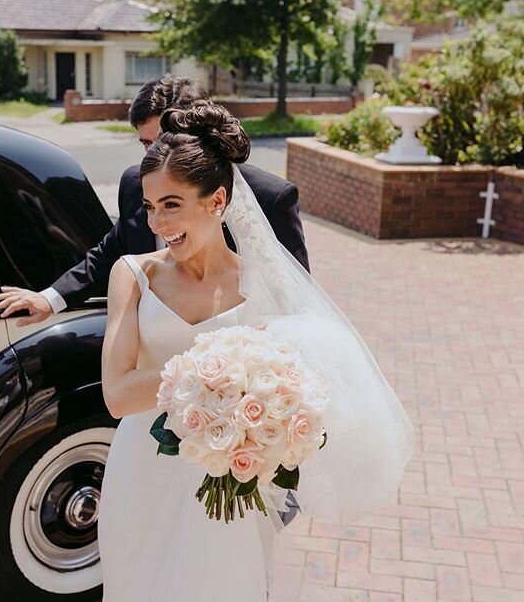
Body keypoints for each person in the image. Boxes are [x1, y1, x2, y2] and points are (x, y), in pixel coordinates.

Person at [98, 102, 414, 601]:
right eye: (150, 206)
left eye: (173, 205)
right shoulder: (133, 275)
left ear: (217, 200)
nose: (157, 222)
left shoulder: (264, 283)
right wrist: (219, 370)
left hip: (227, 479)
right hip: (142, 469)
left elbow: (303, 384)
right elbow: (117, 394)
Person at [0, 75, 309, 326]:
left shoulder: (270, 199)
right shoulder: (135, 185)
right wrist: (51, 298)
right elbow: (111, 251)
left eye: (163, 141)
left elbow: (295, 297)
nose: (156, 156)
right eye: (147, 144)